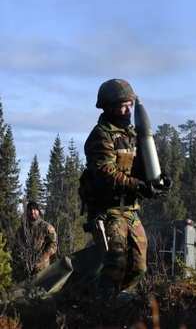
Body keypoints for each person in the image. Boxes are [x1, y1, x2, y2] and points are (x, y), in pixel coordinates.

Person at [80, 78, 160, 298]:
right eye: (123, 105)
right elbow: (106, 172)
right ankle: (101, 307)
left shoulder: (132, 135)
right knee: (115, 263)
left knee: (139, 267)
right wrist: (139, 186)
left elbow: (142, 167)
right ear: (109, 107)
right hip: (108, 211)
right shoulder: (101, 135)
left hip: (130, 210)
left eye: (130, 105)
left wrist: (157, 181)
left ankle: (110, 299)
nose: (128, 110)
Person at [15, 201, 57, 278]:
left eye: (34, 209)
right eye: (30, 209)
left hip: (42, 269)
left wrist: (43, 258)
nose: (32, 211)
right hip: (24, 268)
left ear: (38, 211)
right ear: (27, 212)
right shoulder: (22, 229)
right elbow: (16, 246)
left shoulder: (46, 227)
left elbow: (53, 245)